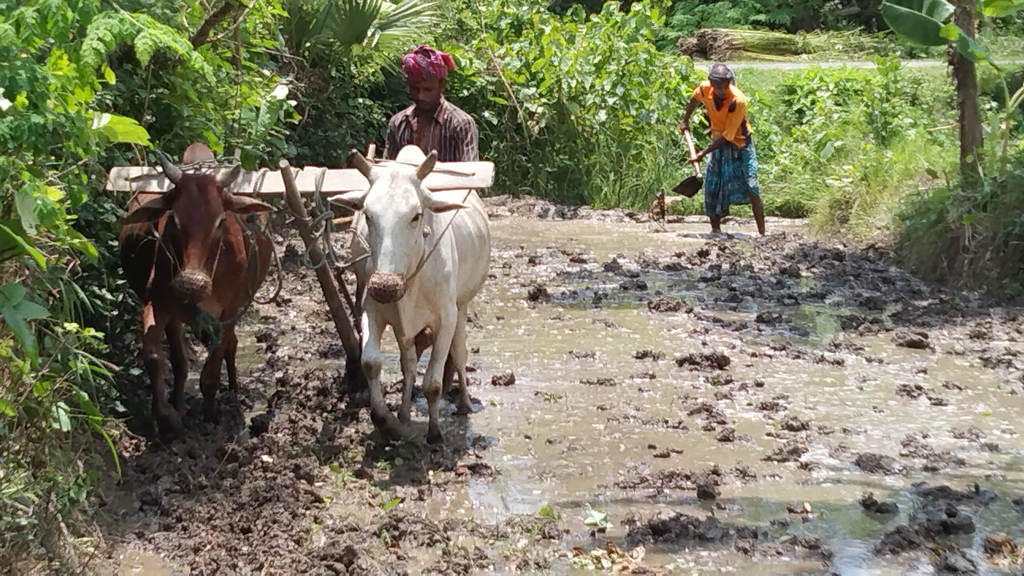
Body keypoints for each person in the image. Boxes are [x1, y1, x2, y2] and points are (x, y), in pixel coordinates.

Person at [678, 63, 766, 236]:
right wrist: (685, 119)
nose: (721, 91)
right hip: (717, 142)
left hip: (740, 143)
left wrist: (702, 153)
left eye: (725, 87)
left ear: (730, 84)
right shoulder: (705, 89)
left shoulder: (737, 101)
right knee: (712, 186)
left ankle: (762, 234)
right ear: (712, 84)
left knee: (752, 186)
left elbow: (728, 136)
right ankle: (715, 231)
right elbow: (695, 99)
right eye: (718, 87)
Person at [384, 45, 479, 162]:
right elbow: (388, 169)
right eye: (415, 89)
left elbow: (469, 173)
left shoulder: (461, 124)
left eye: (428, 89)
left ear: (442, 85)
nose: (420, 96)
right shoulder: (398, 124)